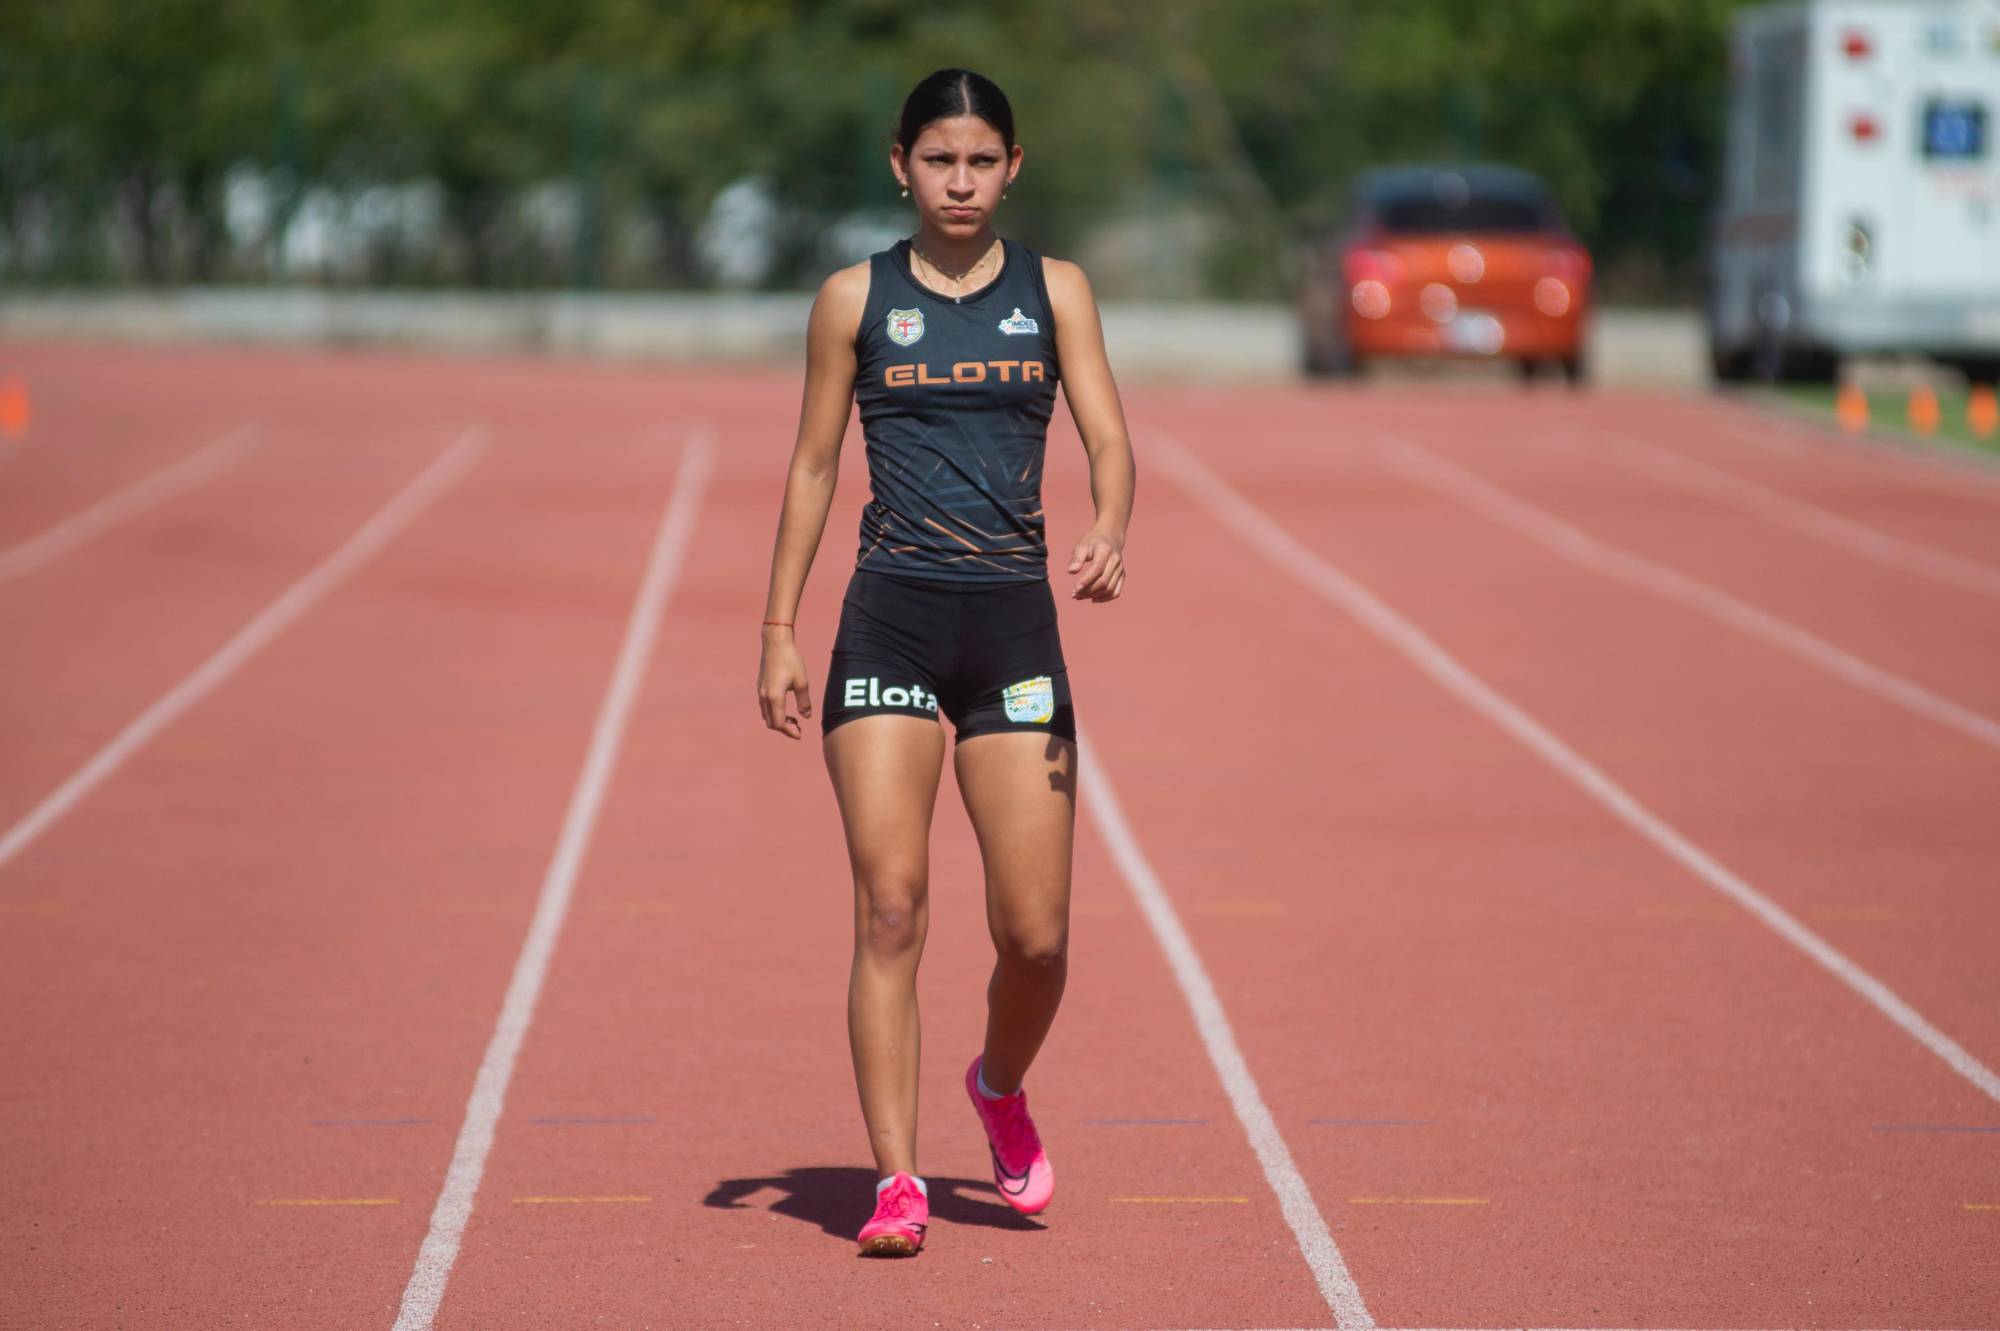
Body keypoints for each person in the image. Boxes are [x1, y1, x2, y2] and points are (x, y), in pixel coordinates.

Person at [756, 67, 1137, 1257]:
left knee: (1035, 935)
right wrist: (777, 628)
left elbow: (1110, 438)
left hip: (1013, 634)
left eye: (980, 161)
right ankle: (896, 1180)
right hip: (889, 627)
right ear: (899, 165)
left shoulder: (1055, 291)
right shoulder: (851, 299)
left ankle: (997, 1084)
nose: (959, 182)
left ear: (1011, 167)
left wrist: (1110, 521)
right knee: (891, 904)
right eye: (939, 161)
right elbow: (814, 465)